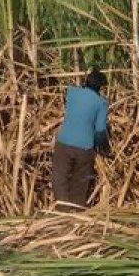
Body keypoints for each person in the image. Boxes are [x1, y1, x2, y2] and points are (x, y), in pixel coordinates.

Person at [52, 69, 111, 211]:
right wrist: (101, 145)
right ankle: (77, 214)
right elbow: (100, 130)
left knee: (60, 178)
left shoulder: (72, 92)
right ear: (100, 87)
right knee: (80, 183)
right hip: (85, 148)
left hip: (64, 143)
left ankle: (63, 210)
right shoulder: (101, 103)